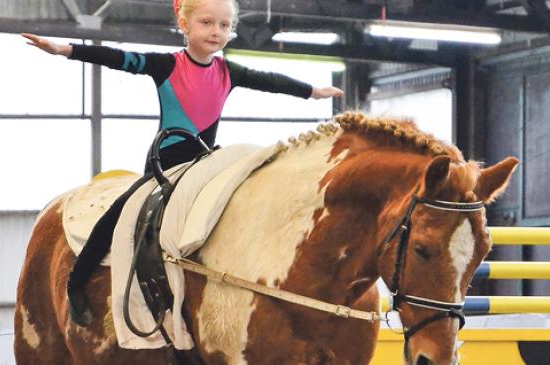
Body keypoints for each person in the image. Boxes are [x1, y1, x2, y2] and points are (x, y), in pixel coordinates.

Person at [22, 0, 343, 327]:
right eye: (206, 23)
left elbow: (271, 81)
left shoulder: (227, 72)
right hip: (166, 165)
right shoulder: (166, 65)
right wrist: (65, 49)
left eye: (224, 26)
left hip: (207, 163)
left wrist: (314, 92)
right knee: (119, 212)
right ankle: (76, 281)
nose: (216, 32)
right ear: (184, 25)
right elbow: (118, 58)